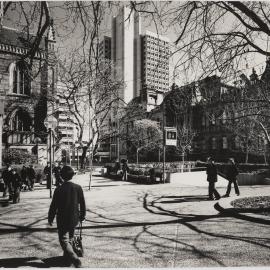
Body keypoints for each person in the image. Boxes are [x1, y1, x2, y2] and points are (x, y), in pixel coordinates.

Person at [48, 166, 86, 268]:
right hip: (74, 218)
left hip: (62, 218)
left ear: (62, 176)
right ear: (72, 176)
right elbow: (82, 203)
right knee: (70, 239)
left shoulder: (59, 189)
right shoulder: (78, 187)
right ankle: (67, 260)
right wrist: (83, 215)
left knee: (63, 240)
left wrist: (50, 218)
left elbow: (53, 206)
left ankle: (74, 259)